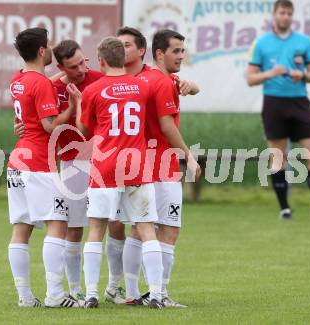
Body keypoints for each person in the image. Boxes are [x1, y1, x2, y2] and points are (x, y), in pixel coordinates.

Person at [15, 40, 128, 304]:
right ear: (61, 67)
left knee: (115, 224)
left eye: (83, 61)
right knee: (75, 229)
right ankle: (76, 290)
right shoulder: (53, 87)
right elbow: (37, 119)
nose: (81, 69)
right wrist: (20, 125)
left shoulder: (100, 79)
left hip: (104, 163)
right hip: (73, 164)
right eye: (73, 66)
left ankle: (115, 287)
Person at [69, 36, 164, 309]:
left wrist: (78, 105)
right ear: (124, 58)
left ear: (100, 61)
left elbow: (84, 131)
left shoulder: (94, 90)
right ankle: (156, 293)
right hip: (135, 163)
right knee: (146, 229)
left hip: (105, 166)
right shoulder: (141, 87)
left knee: (96, 230)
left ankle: (91, 295)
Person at [7, 27, 80, 308]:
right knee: (58, 223)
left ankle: (25, 297)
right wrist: (72, 107)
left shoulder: (18, 79)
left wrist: (60, 76)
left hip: (16, 162)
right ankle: (55, 295)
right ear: (41, 50)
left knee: (21, 228)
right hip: (39, 162)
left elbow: (33, 92)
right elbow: (50, 126)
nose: (50, 49)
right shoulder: (42, 85)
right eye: (47, 46)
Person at [246, 0, 310, 220]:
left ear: (292, 16)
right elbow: (251, 78)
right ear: (274, 15)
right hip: (274, 103)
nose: (285, 16)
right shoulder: (261, 43)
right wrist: (270, 73)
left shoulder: (304, 41)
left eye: (289, 13)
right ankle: (284, 209)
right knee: (279, 156)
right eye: (282, 12)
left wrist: (303, 75)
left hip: (299, 103)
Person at [130, 29, 201, 308]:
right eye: (176, 51)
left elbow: (190, 88)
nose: (181, 56)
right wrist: (189, 155)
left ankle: (134, 291)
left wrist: (192, 86)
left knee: (140, 229)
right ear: (159, 53)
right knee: (169, 229)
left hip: (138, 164)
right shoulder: (162, 83)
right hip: (162, 165)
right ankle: (160, 293)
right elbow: (167, 125)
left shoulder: (144, 77)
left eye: (183, 50)